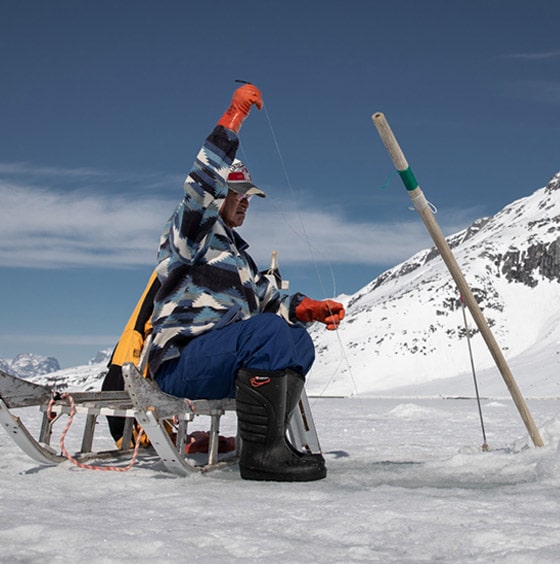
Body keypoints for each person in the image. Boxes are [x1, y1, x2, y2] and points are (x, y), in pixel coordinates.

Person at [148, 83, 345, 482]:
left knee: (296, 341)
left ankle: (271, 443)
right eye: (238, 193)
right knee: (268, 333)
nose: (246, 201)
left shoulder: (239, 257)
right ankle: (260, 457)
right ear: (220, 193)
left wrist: (307, 308)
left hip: (221, 361)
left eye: (249, 196)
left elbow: (270, 301)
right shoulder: (192, 232)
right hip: (181, 362)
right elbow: (201, 184)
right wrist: (233, 118)